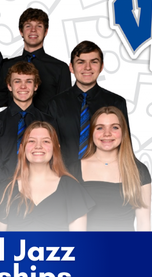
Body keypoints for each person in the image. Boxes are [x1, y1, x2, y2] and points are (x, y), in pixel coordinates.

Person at [47, 41, 129, 177]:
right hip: (64, 178)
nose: (87, 67)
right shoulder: (55, 104)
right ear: (71, 67)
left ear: (101, 66)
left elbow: (125, 145)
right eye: (81, 62)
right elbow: (49, 146)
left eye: (94, 62)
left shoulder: (116, 102)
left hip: (106, 178)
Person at [0, 122, 89, 231]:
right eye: (31, 141)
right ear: (22, 148)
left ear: (56, 148)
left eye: (46, 141)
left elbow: (78, 242)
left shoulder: (72, 188)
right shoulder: (7, 189)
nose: (38, 146)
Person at [0, 62, 50, 201]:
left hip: (42, 191)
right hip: (5, 192)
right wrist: (10, 190)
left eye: (29, 81)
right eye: (17, 81)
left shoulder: (48, 122)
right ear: (9, 86)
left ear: (36, 86)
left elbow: (53, 159)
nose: (23, 86)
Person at [79, 106, 151, 231]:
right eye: (100, 127)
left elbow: (143, 223)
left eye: (115, 127)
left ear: (123, 132)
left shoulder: (139, 170)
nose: (107, 133)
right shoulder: (74, 169)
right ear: (92, 132)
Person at [0, 7, 71, 111]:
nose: (33, 30)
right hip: (14, 125)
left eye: (39, 26)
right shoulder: (6, 66)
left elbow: (64, 106)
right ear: (21, 31)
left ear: (46, 31)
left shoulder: (60, 68)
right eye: (28, 26)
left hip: (47, 125)